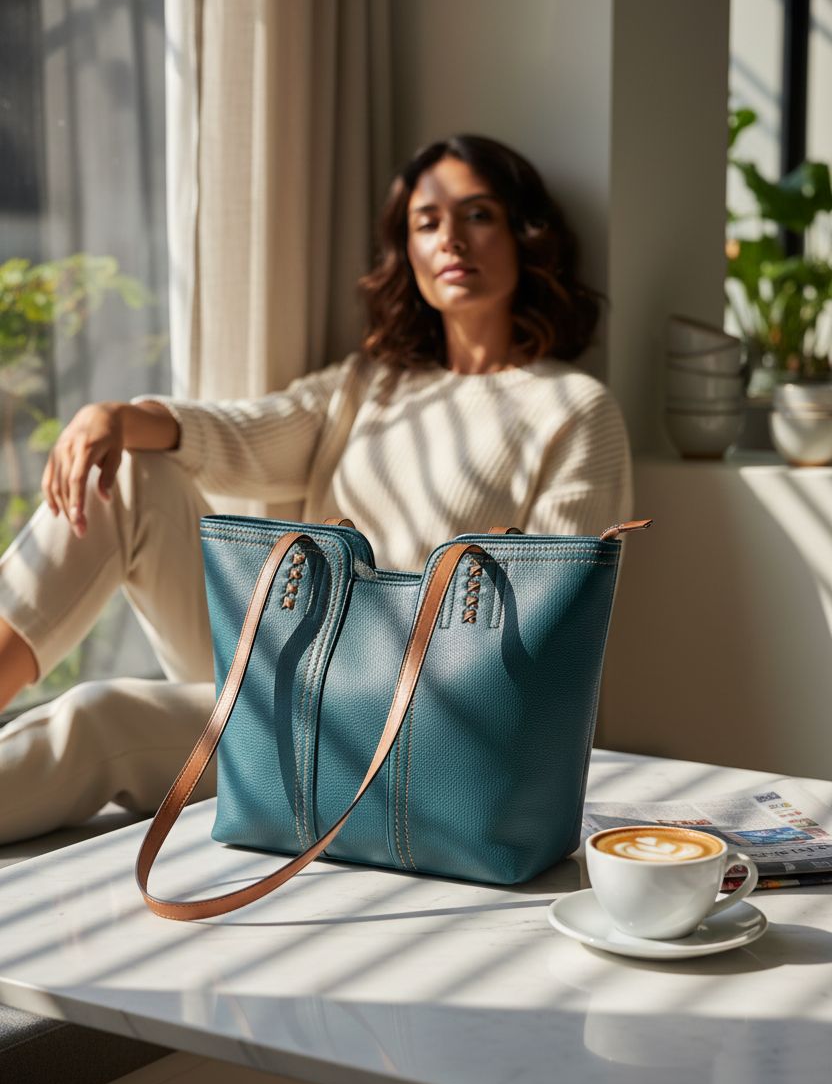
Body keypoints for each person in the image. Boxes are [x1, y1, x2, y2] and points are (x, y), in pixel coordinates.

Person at [0, 134, 632, 844]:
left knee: (97, 717)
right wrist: (112, 417)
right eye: (427, 223)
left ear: (525, 236)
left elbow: (548, 627)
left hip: (404, 731)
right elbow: (237, 433)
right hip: (283, 666)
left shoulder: (573, 410)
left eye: (478, 214)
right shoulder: (369, 386)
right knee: (132, 468)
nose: (451, 238)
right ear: (408, 254)